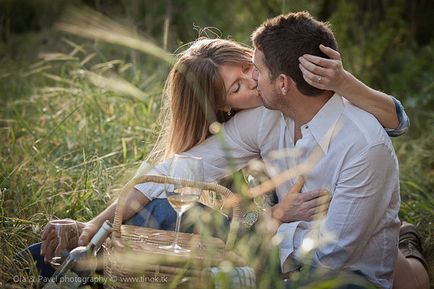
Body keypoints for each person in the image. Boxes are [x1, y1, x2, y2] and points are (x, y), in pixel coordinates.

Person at [30, 33, 425, 288]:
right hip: (280, 231)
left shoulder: (300, 92)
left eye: (251, 69)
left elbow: (393, 120)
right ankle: (72, 257)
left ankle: (408, 243)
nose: (253, 81)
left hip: (341, 241)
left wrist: (343, 81)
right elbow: (170, 173)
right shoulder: (256, 120)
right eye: (237, 86)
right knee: (165, 214)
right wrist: (93, 225)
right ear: (222, 105)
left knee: (401, 269)